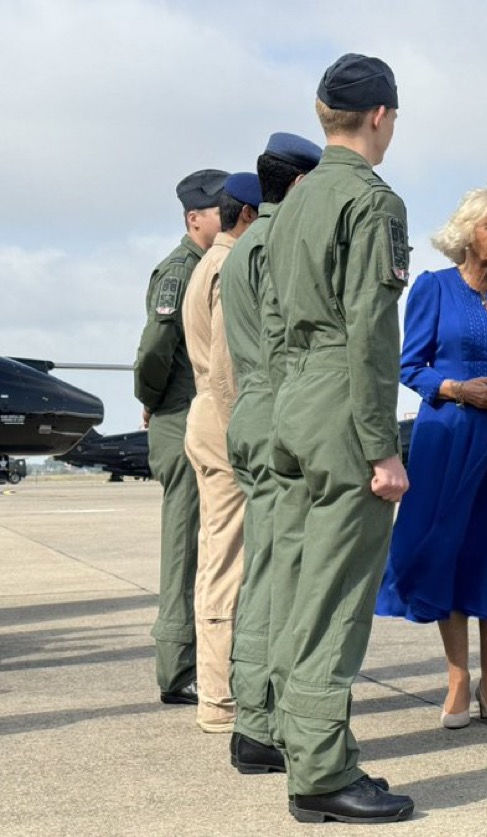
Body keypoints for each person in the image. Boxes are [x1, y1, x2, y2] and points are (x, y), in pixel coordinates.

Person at [265, 53, 414, 824]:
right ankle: (322, 771)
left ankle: (308, 747)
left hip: (293, 400)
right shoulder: (371, 201)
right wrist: (381, 447)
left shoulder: (292, 206)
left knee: (297, 588)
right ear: (380, 117)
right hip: (341, 405)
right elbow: (370, 333)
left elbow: (273, 323)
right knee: (337, 596)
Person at [375, 183, 487, 730]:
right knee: (446, 546)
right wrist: (458, 389)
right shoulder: (434, 287)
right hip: (447, 432)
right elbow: (410, 366)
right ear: (467, 233)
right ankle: (456, 677)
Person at [222, 133, 322, 774]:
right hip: (283, 408)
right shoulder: (286, 242)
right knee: (281, 569)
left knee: (264, 562)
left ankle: (253, 719)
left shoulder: (240, 249)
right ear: (302, 184)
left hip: (251, 406)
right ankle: (265, 722)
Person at [135, 168, 227, 706]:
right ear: (195, 218)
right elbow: (154, 348)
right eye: (219, 209)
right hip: (180, 415)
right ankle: (177, 670)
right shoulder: (181, 270)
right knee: (186, 545)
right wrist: (152, 399)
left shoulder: (211, 264)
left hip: (198, 413)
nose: (230, 215)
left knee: (211, 544)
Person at [181, 172, 260, 733]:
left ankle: (222, 692)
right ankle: (221, 698)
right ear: (249, 216)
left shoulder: (210, 261)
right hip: (226, 424)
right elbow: (229, 369)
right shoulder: (232, 267)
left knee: (221, 555)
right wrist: (246, 441)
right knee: (227, 561)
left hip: (209, 414)